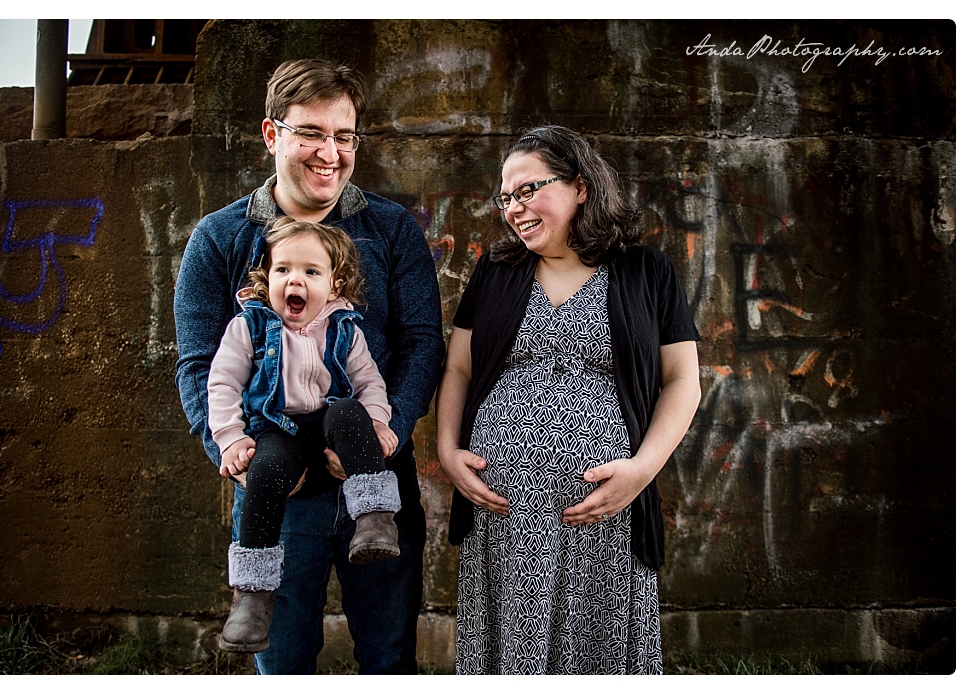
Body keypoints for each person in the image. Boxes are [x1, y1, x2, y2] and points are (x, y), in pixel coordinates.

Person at [174, 59, 444, 674]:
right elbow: (199, 365)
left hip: (375, 478)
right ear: (272, 134)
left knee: (389, 659)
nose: (330, 153)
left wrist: (388, 431)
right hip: (278, 488)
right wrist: (234, 455)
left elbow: (422, 343)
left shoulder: (390, 229)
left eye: (344, 136)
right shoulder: (219, 237)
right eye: (312, 134)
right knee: (283, 661)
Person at [437, 125, 702, 675]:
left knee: (597, 647)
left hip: (604, 509)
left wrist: (642, 471)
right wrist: (446, 449)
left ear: (581, 187)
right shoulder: (496, 270)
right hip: (506, 514)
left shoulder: (645, 270)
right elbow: (459, 367)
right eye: (506, 197)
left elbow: (682, 381)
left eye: (528, 190)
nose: (514, 207)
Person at [208, 219, 403, 653]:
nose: (294, 280)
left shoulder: (345, 329)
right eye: (283, 270)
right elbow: (222, 382)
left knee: (350, 410)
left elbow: (369, 382)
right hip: (279, 429)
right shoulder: (249, 327)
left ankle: (375, 520)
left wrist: (378, 423)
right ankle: (253, 595)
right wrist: (230, 437)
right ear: (267, 277)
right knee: (264, 472)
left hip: (333, 426)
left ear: (334, 286)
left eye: (311, 272)